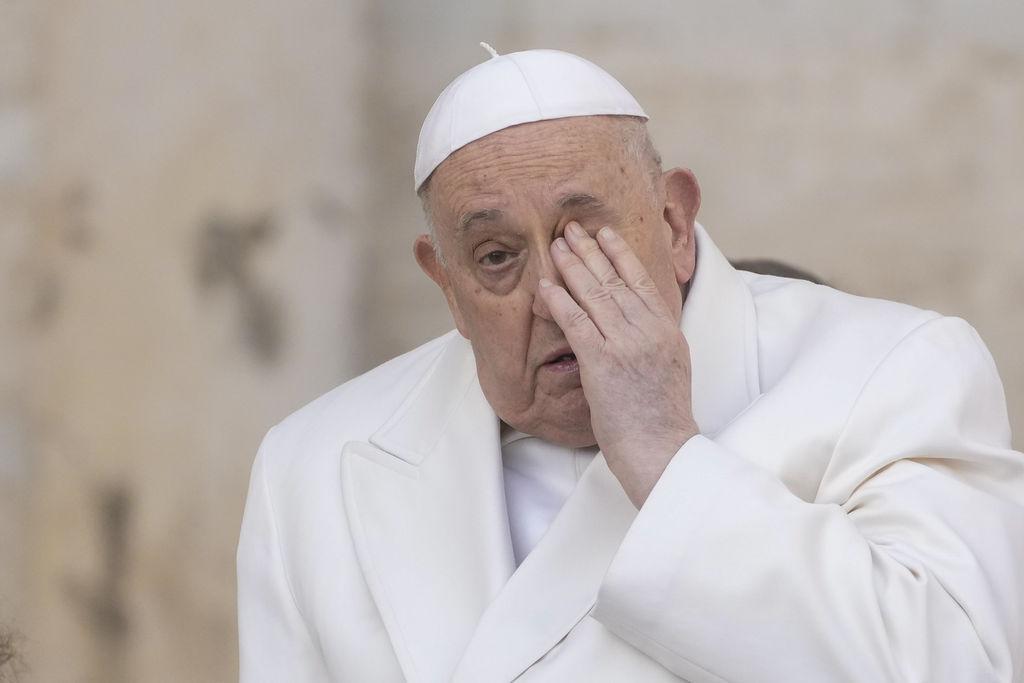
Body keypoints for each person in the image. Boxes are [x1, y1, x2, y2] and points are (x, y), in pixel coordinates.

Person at [236, 46, 1024, 682]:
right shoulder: (310, 467)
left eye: (585, 237)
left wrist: (666, 457)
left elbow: (959, 665)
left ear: (676, 222)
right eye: (498, 256)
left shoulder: (893, 371)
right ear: (444, 282)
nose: (552, 294)